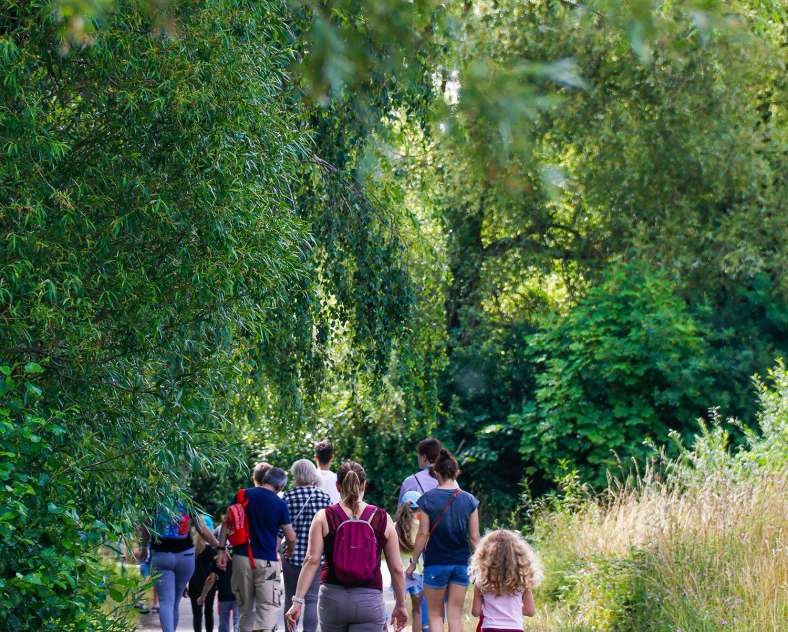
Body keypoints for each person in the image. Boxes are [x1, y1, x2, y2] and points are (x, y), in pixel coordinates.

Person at [285, 461, 409, 632]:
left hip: (332, 599)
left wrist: (297, 601)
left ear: (337, 486)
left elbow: (311, 560)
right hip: (369, 601)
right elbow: (396, 568)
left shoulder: (324, 516)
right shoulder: (382, 518)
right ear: (364, 484)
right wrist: (401, 605)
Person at [405, 448, 480, 632]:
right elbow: (474, 537)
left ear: (436, 473)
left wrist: (413, 562)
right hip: (461, 564)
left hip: (435, 564)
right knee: (455, 615)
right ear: (456, 473)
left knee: (435, 615)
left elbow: (423, 534)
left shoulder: (427, 499)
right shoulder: (470, 500)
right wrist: (480, 565)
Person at [218, 464, 297, 632]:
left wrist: (221, 550)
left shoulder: (242, 495)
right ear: (280, 486)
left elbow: (226, 523)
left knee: (245, 610)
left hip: (241, 559)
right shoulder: (279, 504)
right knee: (267, 609)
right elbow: (291, 536)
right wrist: (290, 548)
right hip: (267, 563)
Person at [140, 504, 220, 632]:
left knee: (166, 602)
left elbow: (145, 528)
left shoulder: (154, 499)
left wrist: (144, 547)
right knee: (175, 603)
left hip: (161, 555)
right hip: (185, 555)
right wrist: (220, 547)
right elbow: (203, 530)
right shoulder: (186, 500)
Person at [281, 459, 331, 632]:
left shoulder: (288, 496)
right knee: (311, 599)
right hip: (316, 558)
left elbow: (281, 529)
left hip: (291, 556)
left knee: (291, 598)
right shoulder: (323, 497)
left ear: (296, 475)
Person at [470, 530, 543, 628]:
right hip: (514, 628)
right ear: (518, 555)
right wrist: (512, 610)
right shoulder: (522, 581)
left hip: (490, 628)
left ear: (485, 554)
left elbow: (475, 612)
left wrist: (491, 610)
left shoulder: (481, 581)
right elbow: (530, 611)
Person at [396, 490, 428, 632]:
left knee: (399, 609)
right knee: (417, 611)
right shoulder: (422, 528)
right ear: (419, 508)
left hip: (398, 575)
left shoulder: (395, 526)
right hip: (417, 572)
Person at [198, 549, 240, 632]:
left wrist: (202, 596)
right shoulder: (239, 556)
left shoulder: (217, 560)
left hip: (224, 596)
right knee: (238, 623)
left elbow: (211, 579)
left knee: (224, 625)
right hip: (239, 594)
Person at [188, 523, 218, 632]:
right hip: (209, 585)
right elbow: (214, 571)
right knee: (209, 612)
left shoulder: (191, 551)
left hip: (194, 585)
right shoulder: (212, 552)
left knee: (197, 615)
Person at [398, 438, 442, 506]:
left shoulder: (411, 481)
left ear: (424, 457)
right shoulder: (451, 481)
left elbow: (401, 512)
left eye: (418, 455)